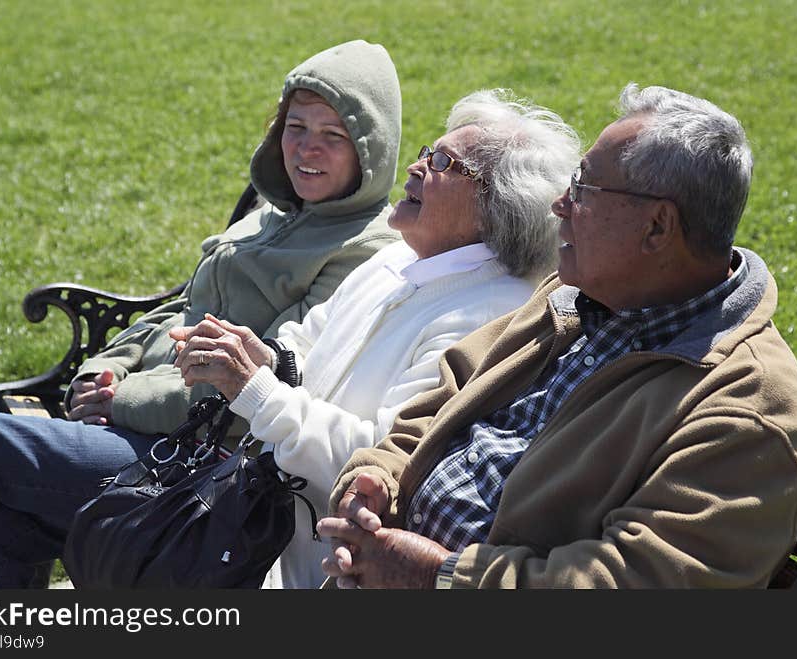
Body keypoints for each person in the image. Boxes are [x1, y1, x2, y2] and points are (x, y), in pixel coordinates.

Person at [0, 39, 402, 588]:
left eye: (332, 136)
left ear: (370, 149)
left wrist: (121, 400)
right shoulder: (276, 214)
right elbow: (179, 307)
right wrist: (108, 369)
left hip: (202, 466)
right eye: (296, 128)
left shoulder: (359, 251)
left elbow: (251, 382)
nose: (306, 150)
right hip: (145, 428)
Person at [318, 83, 797, 589]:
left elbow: (637, 586)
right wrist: (379, 478)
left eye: (583, 187)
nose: (559, 204)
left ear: (657, 227)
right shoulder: (574, 296)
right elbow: (446, 397)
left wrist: (438, 577)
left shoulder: (746, 410)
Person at [168, 88, 581, 588]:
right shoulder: (399, 258)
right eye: (427, 150)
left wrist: (255, 390)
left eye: (444, 162)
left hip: (310, 567)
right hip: (251, 526)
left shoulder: (489, 315)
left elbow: (378, 456)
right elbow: (309, 337)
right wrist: (270, 359)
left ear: (497, 206)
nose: (415, 166)